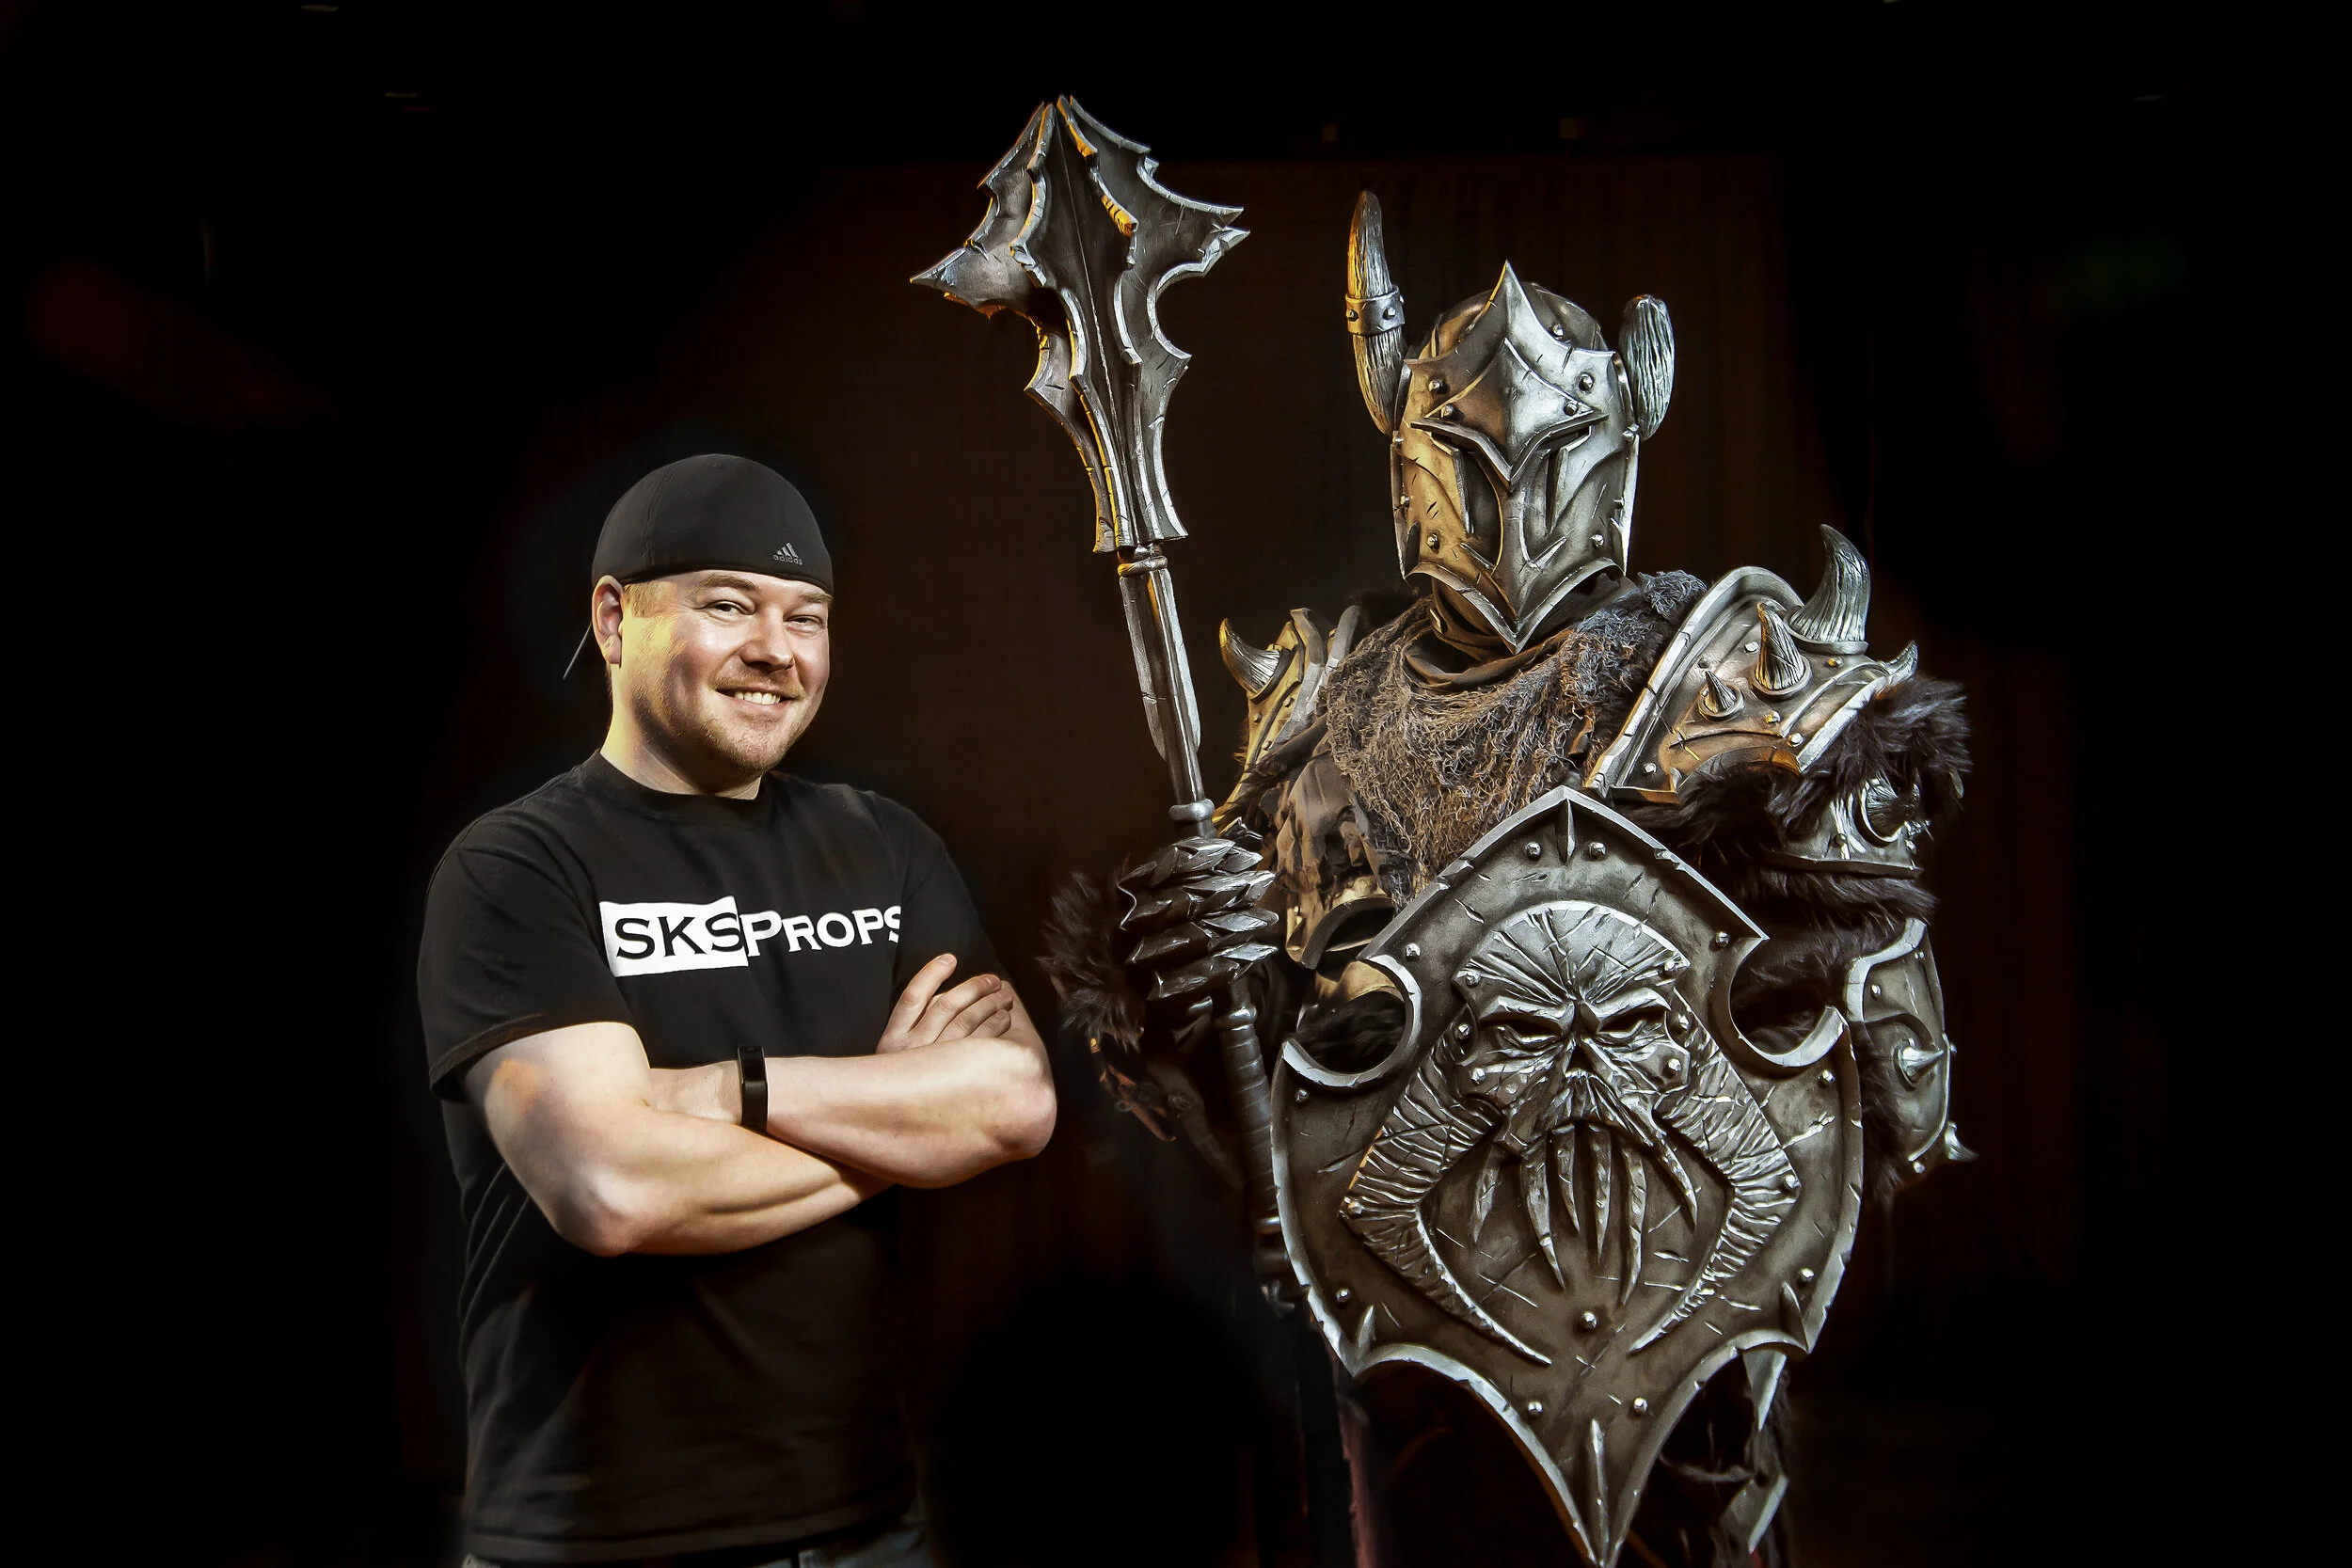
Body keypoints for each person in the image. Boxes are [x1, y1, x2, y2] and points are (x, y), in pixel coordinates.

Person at [418, 453, 1056, 1567]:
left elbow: (1013, 1104)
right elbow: (610, 1186)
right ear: (612, 619)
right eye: (727, 605)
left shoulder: (883, 845)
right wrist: (900, 1135)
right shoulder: (518, 866)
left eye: (806, 616)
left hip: (868, 1526)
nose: (776, 649)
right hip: (599, 1539)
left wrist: (728, 1089)